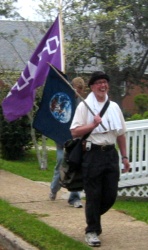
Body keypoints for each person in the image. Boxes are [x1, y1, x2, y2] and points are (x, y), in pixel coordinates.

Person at [70, 71, 130, 247]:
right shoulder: (84, 106)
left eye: (105, 82)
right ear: (92, 87)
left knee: (110, 195)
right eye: (98, 83)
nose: (102, 86)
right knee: (94, 195)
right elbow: (74, 131)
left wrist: (125, 156)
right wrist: (93, 124)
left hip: (111, 154)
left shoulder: (114, 107)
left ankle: (93, 216)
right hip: (92, 154)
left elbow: (121, 134)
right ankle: (92, 230)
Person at [50, 77, 85, 208]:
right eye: (75, 88)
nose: (77, 91)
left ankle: (74, 198)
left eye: (79, 89)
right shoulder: (63, 101)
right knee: (60, 162)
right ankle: (54, 188)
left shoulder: (82, 105)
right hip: (61, 139)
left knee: (75, 166)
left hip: (74, 141)